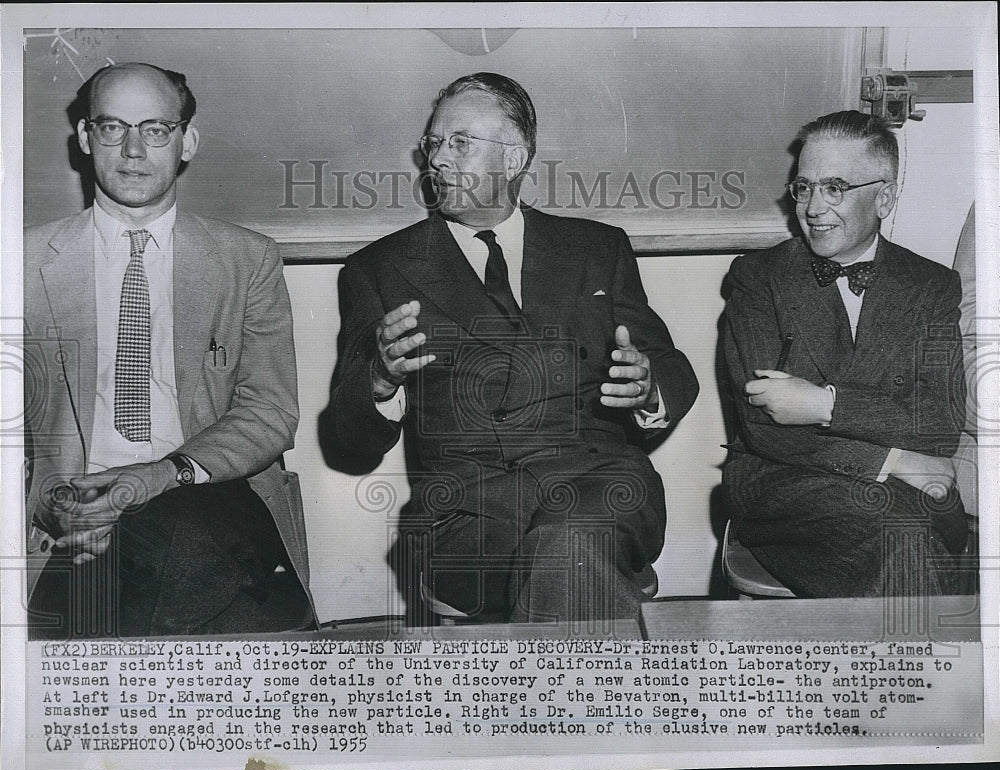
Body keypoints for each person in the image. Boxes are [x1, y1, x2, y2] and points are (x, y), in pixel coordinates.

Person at [320, 73, 698, 624]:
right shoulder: (378, 270)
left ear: (515, 159)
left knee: (572, 540)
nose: (438, 161)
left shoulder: (596, 248)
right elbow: (349, 443)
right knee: (572, 556)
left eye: (460, 143)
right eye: (433, 144)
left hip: (598, 481)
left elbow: (668, 365)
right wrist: (377, 381)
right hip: (472, 511)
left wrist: (647, 388)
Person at [24, 63, 313, 637]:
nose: (133, 150)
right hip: (76, 515)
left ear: (187, 141)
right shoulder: (22, 262)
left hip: (205, 492)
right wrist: (52, 507)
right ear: (85, 138)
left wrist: (156, 477)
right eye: (112, 128)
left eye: (155, 129)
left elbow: (270, 413)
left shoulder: (245, 259)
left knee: (185, 543)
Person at [721, 110, 972, 597]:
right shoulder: (757, 279)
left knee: (909, 534)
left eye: (834, 187)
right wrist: (896, 460)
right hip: (782, 484)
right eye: (804, 187)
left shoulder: (932, 287)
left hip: (904, 496)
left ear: (885, 197)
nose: (813, 208)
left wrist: (824, 404)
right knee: (903, 538)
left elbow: (940, 423)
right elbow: (764, 430)